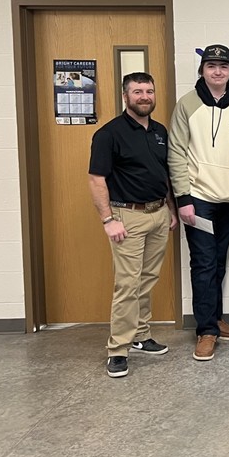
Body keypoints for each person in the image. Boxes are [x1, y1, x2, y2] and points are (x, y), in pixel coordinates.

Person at [88, 72, 177, 378]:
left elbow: (162, 174)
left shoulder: (159, 131)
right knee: (127, 283)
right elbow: (96, 179)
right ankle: (118, 349)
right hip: (126, 216)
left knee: (147, 279)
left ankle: (140, 335)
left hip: (157, 213)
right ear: (125, 96)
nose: (144, 96)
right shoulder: (109, 134)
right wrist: (107, 220)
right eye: (137, 91)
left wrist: (170, 208)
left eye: (149, 91)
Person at [169, 44, 229, 362]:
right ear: (202, 71)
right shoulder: (187, 105)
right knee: (203, 263)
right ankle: (206, 330)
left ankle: (215, 318)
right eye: (211, 66)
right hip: (198, 201)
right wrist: (183, 199)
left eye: (223, 66)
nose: (217, 71)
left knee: (218, 261)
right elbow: (176, 152)